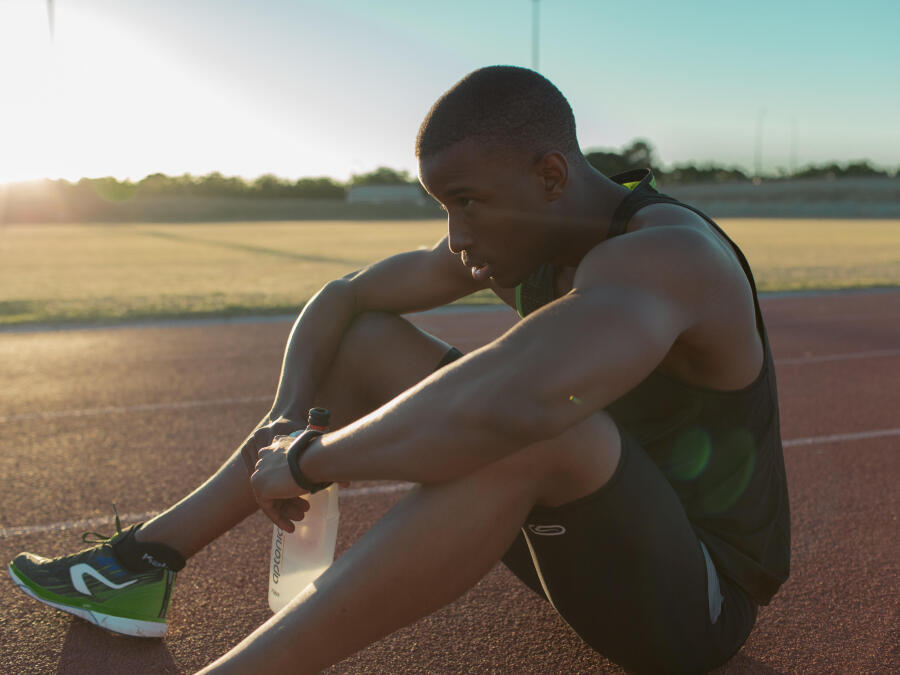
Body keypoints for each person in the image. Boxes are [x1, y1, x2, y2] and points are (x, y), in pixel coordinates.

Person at [9, 66, 790, 674]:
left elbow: (516, 404)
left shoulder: (668, 256)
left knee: (536, 424)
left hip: (696, 604)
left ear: (550, 176)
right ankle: (144, 561)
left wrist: (310, 461)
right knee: (364, 342)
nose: (455, 236)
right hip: (595, 534)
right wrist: (286, 420)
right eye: (442, 206)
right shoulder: (520, 233)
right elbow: (343, 299)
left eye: (466, 201)